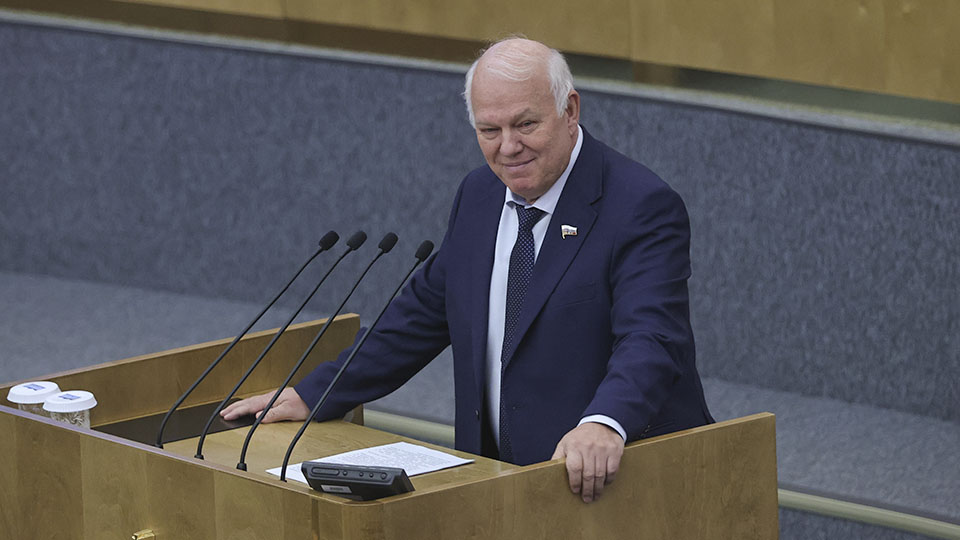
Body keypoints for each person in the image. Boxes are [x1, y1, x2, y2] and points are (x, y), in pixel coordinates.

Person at [222, 37, 713, 503]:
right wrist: (315, 394)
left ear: (570, 111)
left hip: (613, 484)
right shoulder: (479, 195)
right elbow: (421, 316)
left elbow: (651, 338)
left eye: (525, 125)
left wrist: (605, 422)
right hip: (493, 481)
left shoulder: (640, 206)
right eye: (489, 131)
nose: (508, 147)